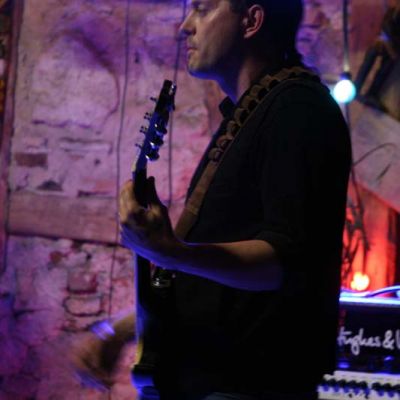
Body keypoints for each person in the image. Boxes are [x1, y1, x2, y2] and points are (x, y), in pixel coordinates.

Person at [73, 1, 352, 399]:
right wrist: (117, 330)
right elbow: (212, 287)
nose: (185, 26)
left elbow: (285, 263)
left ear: (251, 20)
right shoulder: (249, 113)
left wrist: (172, 252)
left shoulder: (298, 109)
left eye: (203, 9)